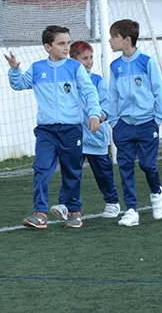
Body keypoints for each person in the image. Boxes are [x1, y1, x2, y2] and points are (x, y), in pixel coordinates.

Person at [7, 25, 100, 230]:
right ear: (48, 47)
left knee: (71, 171)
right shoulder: (38, 68)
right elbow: (19, 84)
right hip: (46, 131)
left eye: (68, 43)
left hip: (71, 130)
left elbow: (90, 92)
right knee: (41, 169)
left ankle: (74, 212)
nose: (67, 47)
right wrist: (15, 70)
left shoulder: (75, 68)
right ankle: (40, 213)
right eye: (61, 44)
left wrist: (94, 114)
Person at [107, 19, 162, 227]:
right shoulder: (115, 66)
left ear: (126, 39)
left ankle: (157, 192)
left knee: (147, 164)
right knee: (124, 167)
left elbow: (159, 91)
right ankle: (131, 210)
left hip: (147, 123)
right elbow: (113, 95)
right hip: (123, 125)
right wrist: (114, 121)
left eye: (113, 37)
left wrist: (157, 118)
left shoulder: (147, 62)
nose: (109, 41)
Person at [55, 41, 120, 220]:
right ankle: (65, 205)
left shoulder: (98, 81)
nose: (89, 62)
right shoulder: (67, 80)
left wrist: (99, 116)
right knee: (71, 172)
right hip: (73, 136)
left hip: (95, 136)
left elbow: (107, 103)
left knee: (103, 173)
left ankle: (112, 202)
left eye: (91, 58)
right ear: (74, 60)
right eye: (85, 58)